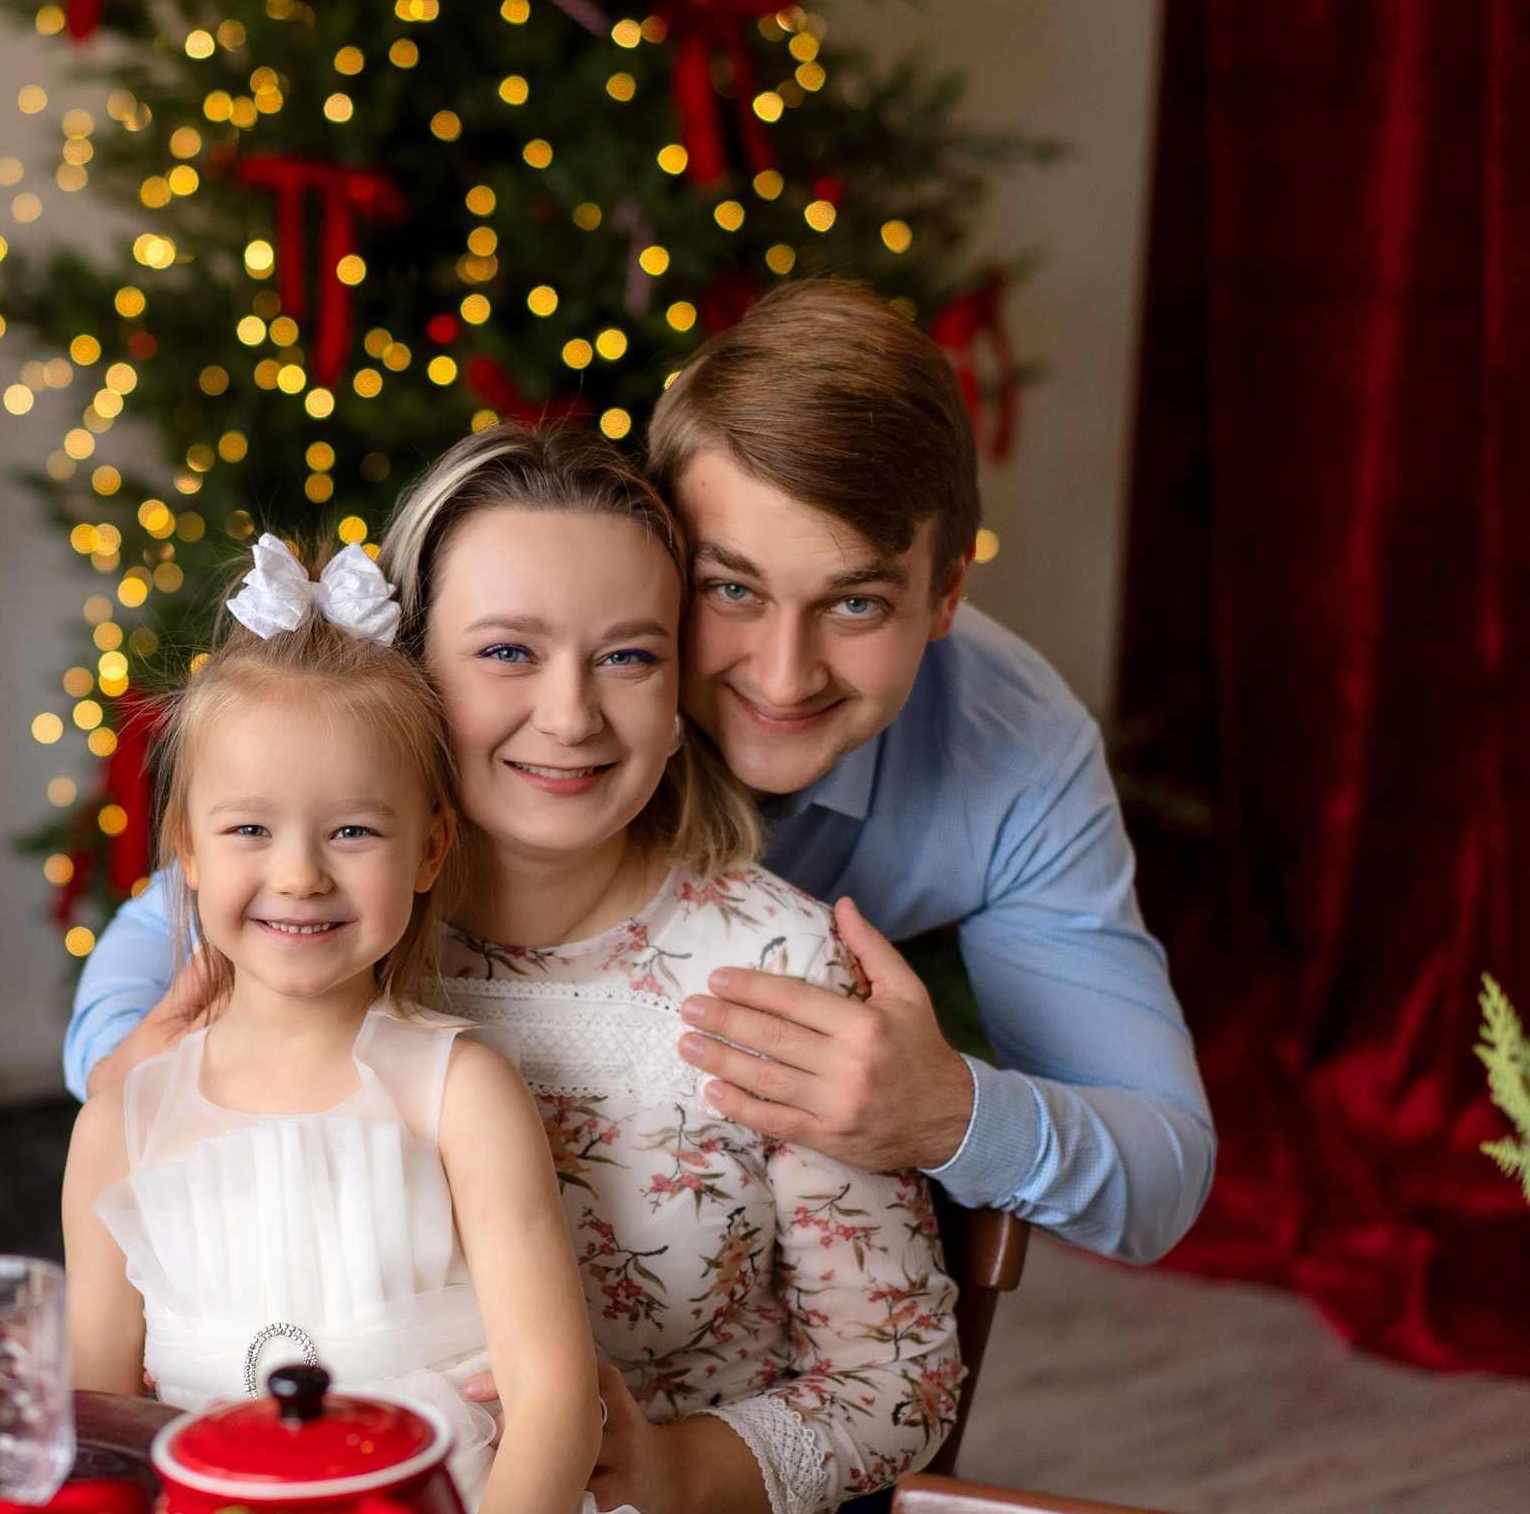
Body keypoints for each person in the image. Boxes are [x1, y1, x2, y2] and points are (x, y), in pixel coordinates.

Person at [67, 281, 1214, 1272]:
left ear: (948, 590)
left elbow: (1163, 1168)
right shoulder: (468, 680)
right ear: (660, 541)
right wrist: (154, 1081)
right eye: (730, 588)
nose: (783, 670)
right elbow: (192, 929)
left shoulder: (1008, 749)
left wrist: (952, 1113)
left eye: (855, 601)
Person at [64, 463, 959, 1514]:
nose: (570, 713)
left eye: (628, 655)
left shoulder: (775, 967)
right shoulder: (330, 922)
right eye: (505, 652)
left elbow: (901, 1385)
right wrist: (115, 1072)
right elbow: (191, 929)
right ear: (412, 674)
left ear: (679, 686)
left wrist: (674, 1471)